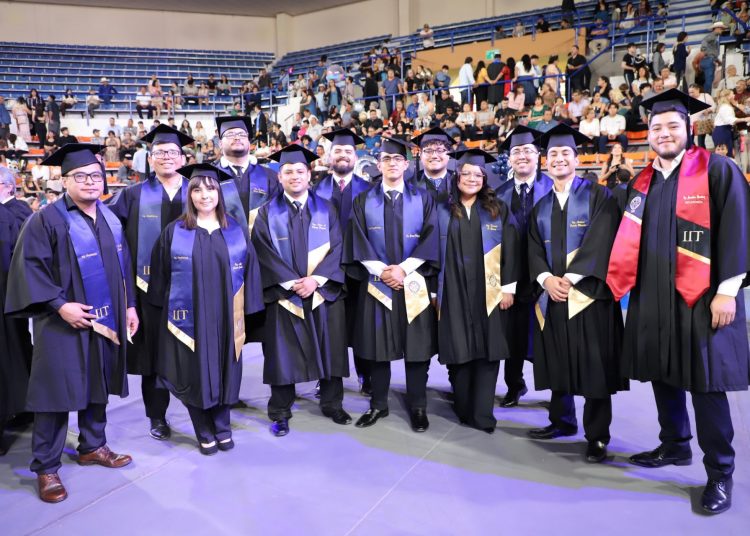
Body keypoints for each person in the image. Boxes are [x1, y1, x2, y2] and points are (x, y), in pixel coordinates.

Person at [607, 89, 750, 515]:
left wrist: (728, 290)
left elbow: (739, 227)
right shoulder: (641, 183)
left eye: (672, 125)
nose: (664, 133)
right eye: (656, 127)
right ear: (648, 133)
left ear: (689, 128)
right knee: (662, 373)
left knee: (707, 384)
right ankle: (674, 445)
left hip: (703, 298)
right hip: (653, 297)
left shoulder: (716, 169)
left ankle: (720, 471)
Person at [5, 144, 138, 502]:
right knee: (55, 392)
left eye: (96, 175)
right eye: (81, 176)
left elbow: (123, 266)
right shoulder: (46, 219)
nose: (91, 182)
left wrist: (129, 306)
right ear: (64, 180)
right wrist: (60, 305)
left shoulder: (110, 218)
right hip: (61, 323)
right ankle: (46, 466)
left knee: (99, 380)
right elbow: (29, 268)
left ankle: (93, 445)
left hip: (105, 317)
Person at [527, 124, 626, 463]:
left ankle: (597, 436)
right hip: (553, 296)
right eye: (553, 154)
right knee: (558, 358)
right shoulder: (540, 206)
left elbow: (602, 238)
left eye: (565, 153)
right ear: (546, 161)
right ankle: (562, 421)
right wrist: (545, 279)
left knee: (593, 367)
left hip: (590, 296)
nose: (558, 159)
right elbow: (533, 248)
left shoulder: (599, 196)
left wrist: (569, 278)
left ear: (576, 158)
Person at [147, 164, 262, 454]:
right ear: (189, 195)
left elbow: (250, 273)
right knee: (193, 373)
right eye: (197, 189)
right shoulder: (175, 232)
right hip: (190, 320)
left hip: (226, 318)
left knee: (226, 371)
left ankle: (222, 427)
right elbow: (161, 277)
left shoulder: (235, 231)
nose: (204, 195)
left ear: (220, 193)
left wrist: (247, 315)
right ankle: (203, 429)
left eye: (211, 188)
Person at [251, 145, 350, 436]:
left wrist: (315, 280)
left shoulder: (327, 209)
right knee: (282, 354)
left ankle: (332, 403)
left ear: (309, 174)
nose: (294, 176)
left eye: (299, 171)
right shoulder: (266, 212)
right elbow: (262, 251)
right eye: (288, 172)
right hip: (284, 295)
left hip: (322, 291)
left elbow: (338, 247)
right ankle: (280, 411)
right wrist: (291, 283)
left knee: (330, 349)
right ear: (279, 177)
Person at [344, 138, 439, 432]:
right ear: (379, 164)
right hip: (377, 283)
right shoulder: (363, 201)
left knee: (417, 348)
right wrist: (383, 272)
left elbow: (431, 237)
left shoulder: (423, 198)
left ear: (407, 164)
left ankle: (418, 406)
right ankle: (378, 405)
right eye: (386, 159)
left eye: (397, 159)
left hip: (414, 283)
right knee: (378, 347)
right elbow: (357, 239)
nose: (392, 163)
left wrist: (404, 270)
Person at [108, 125, 195, 441]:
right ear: (150, 158)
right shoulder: (132, 195)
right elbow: (108, 229)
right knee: (153, 358)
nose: (166, 157)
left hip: (193, 288)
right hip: (148, 292)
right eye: (160, 152)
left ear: (183, 157)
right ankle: (157, 416)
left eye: (172, 152)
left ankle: (202, 413)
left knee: (194, 351)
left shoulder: (198, 191)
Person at [436, 148, 519, 432]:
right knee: (458, 348)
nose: (472, 179)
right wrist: (434, 292)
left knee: (488, 350)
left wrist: (508, 288)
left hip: (489, 292)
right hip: (454, 291)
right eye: (466, 173)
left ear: (485, 179)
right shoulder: (442, 209)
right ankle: (463, 407)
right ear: (457, 176)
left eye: (478, 175)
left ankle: (483, 414)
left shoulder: (497, 209)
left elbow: (512, 249)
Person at [495, 126, 554, 407]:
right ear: (509, 158)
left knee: (551, 334)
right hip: (512, 277)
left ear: (538, 155)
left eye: (528, 150)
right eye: (516, 151)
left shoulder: (553, 188)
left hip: (547, 274)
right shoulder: (498, 194)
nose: (522, 156)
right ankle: (514, 385)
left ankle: (558, 392)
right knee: (514, 336)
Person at [312, 130, 374, 394]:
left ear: (355, 157)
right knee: (328, 326)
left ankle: (366, 375)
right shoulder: (316, 189)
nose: (343, 155)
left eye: (348, 151)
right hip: (326, 268)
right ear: (329, 156)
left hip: (359, 268)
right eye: (338, 151)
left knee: (362, 324)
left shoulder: (369, 190)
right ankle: (326, 376)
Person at [0, 169, 32, 451]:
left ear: (6, 186)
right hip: (12, 298)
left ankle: (19, 408)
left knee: (12, 354)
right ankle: (23, 408)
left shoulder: (15, 212)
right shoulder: (15, 213)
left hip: (8, 296)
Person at [212, 116, 280, 235]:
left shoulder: (270, 176)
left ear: (248, 143)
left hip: (263, 242)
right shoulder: (209, 177)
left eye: (242, 134)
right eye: (230, 134)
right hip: (222, 243)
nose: (237, 137)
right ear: (220, 143)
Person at [410, 127, 456, 204]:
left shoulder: (459, 182)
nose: (434, 156)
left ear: (449, 154)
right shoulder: (409, 185)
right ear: (420, 155)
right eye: (428, 151)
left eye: (440, 150)